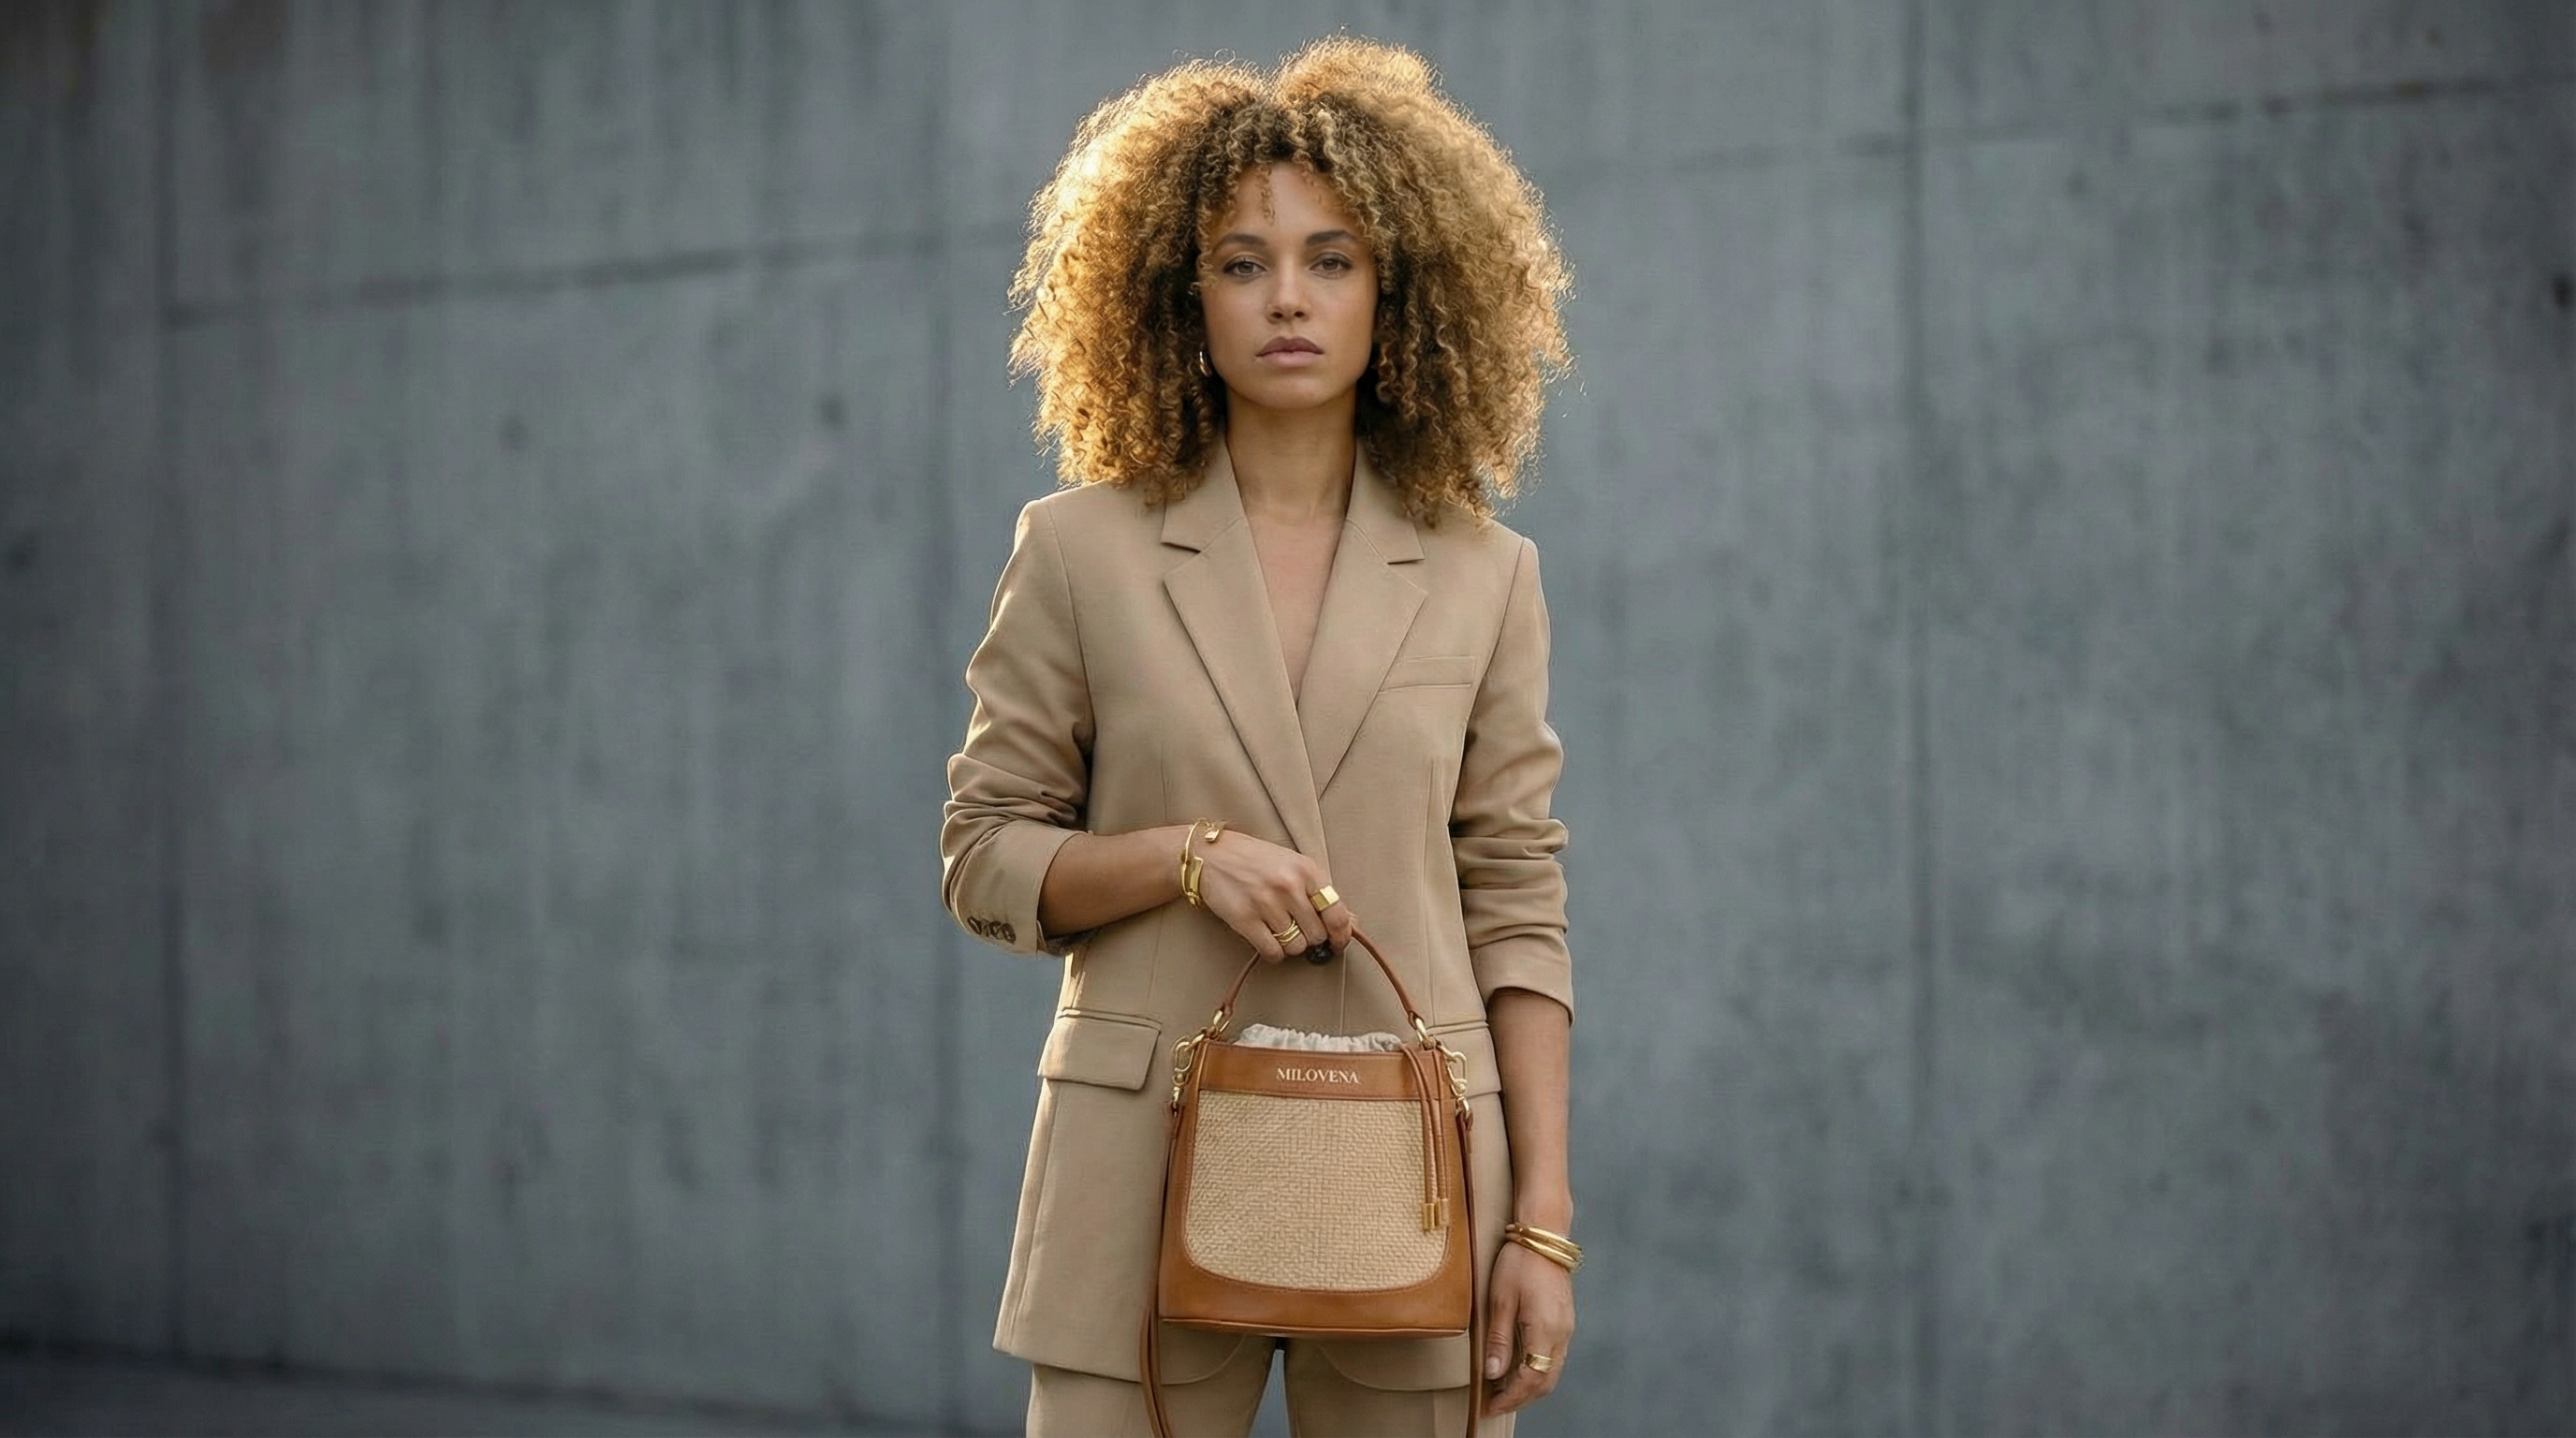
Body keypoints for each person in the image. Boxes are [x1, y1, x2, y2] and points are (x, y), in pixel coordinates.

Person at [941, 37, 1577, 1438]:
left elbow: (1518, 905)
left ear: (1397, 288)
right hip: (1138, 1163)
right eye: (1241, 261)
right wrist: (1182, 859)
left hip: (1418, 1175)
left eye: (1331, 258)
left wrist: (1541, 1223)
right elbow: (985, 857)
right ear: (1182, 296)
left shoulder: (1488, 575)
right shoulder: (1078, 550)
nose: (1287, 296)